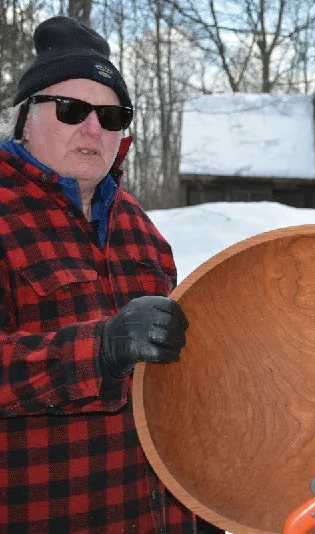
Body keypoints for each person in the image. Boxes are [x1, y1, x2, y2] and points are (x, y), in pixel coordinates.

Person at [0, 16, 194, 532]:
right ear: (25, 117)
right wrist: (99, 348)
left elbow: (173, 385)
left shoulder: (139, 227)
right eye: (71, 109)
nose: (93, 128)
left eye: (112, 116)